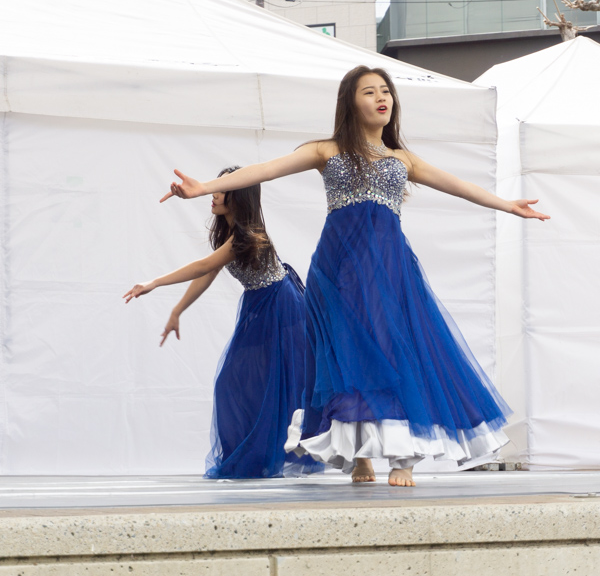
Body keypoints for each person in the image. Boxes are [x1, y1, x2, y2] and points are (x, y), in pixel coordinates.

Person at [161, 66, 550, 487]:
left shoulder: (401, 159)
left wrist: (507, 205)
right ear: (350, 101)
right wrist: (203, 188)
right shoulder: (325, 150)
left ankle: (403, 459)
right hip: (336, 271)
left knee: (394, 350)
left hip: (388, 267)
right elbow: (266, 170)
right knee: (345, 357)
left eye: (386, 91)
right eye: (370, 92)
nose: (382, 98)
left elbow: (455, 184)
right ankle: (360, 455)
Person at [124, 167, 319, 479]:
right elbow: (208, 273)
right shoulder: (228, 233)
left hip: (281, 307)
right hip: (260, 305)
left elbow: (203, 265)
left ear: (238, 195)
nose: (213, 194)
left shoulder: (246, 234)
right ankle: (255, 456)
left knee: (274, 382)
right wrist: (177, 310)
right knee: (236, 383)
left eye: (221, 189)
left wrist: (155, 282)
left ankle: (271, 454)